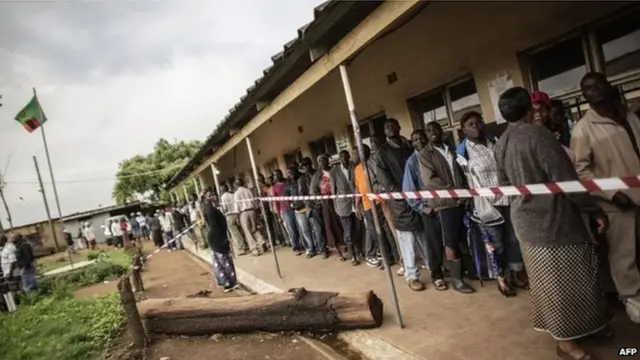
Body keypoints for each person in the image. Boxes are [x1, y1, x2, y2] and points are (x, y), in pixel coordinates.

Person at [494, 86, 610, 360]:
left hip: (525, 223)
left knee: (558, 282)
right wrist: (595, 211)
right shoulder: (539, 135)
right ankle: (566, 344)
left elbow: (504, 186)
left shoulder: (501, 143)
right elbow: (567, 180)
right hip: (554, 222)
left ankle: (587, 326)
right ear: (527, 109)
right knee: (564, 283)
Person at [572, 72, 640, 324]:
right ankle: (632, 298)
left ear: (609, 85)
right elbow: (581, 170)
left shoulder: (629, 117)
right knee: (625, 254)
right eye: (588, 87)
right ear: (584, 96)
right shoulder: (583, 128)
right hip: (617, 203)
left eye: (599, 83)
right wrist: (612, 193)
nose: (595, 89)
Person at [456, 111, 527, 296]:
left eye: (478, 122)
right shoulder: (463, 153)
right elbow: (462, 181)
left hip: (509, 199)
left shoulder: (494, 142)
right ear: (463, 130)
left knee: (513, 239)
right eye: (470, 124)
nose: (476, 126)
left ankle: (516, 274)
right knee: (496, 243)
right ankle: (501, 278)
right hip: (487, 205)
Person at [418, 121, 475, 294]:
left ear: (441, 131)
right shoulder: (425, 154)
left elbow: (460, 173)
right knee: (450, 241)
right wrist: (453, 190)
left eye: (435, 128)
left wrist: (463, 192)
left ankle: (468, 271)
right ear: (426, 135)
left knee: (463, 238)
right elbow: (429, 181)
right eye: (428, 130)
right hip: (444, 204)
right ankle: (457, 280)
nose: (432, 132)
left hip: (460, 201)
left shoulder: (450, 150)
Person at [372, 118, 426, 290]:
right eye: (386, 126)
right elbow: (384, 178)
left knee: (424, 234)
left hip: (420, 197)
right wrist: (399, 193)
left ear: (399, 127)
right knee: (406, 239)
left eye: (392, 125)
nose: (390, 128)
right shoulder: (382, 153)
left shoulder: (409, 145)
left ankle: (433, 266)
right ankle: (412, 275)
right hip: (400, 200)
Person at [403, 129, 446, 290]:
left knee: (450, 239)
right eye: (414, 139)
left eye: (421, 138)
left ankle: (453, 270)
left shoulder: (436, 154)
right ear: (411, 143)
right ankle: (437, 276)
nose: (419, 141)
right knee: (433, 243)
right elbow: (409, 191)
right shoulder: (411, 162)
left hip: (446, 205)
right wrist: (423, 208)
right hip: (430, 209)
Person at [354, 144, 396, 268]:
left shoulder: (373, 164)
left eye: (355, 153)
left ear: (364, 153)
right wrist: (357, 204)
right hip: (367, 207)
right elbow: (358, 188)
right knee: (377, 234)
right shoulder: (357, 169)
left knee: (388, 232)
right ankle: (387, 258)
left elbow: (381, 183)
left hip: (379, 204)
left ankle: (396, 257)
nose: (353, 156)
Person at [202, 189, 238, 292]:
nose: (211, 197)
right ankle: (229, 282)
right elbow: (214, 225)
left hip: (216, 236)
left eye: (212, 195)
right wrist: (223, 238)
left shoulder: (209, 207)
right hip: (217, 237)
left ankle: (226, 282)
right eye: (209, 196)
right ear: (204, 197)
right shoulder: (209, 209)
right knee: (224, 260)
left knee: (219, 261)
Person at [330, 150, 362, 264]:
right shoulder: (334, 172)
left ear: (349, 157)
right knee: (348, 230)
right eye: (341, 156)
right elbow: (333, 192)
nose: (344, 158)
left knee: (358, 228)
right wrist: (336, 207)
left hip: (357, 203)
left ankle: (359, 251)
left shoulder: (355, 167)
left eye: (346, 156)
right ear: (339, 158)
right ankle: (352, 254)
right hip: (343, 205)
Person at [310, 154, 343, 257]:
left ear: (328, 161)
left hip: (339, 200)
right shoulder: (317, 176)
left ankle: (345, 244)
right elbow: (313, 191)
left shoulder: (335, 170)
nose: (322, 163)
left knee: (341, 222)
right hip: (326, 203)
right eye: (320, 161)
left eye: (324, 160)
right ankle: (338, 249)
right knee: (330, 225)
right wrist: (320, 198)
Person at [299, 157, 328, 258]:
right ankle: (323, 249)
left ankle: (334, 245)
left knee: (329, 225)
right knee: (318, 228)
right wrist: (311, 204)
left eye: (307, 164)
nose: (306, 167)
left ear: (311, 163)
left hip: (325, 203)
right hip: (313, 206)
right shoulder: (302, 179)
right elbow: (302, 195)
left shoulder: (319, 173)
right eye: (303, 166)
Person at [285, 164, 315, 257]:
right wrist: (291, 204)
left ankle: (319, 246)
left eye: (292, 172)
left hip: (308, 206)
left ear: (296, 171)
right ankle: (310, 248)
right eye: (289, 173)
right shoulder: (289, 185)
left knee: (314, 228)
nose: (291, 174)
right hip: (299, 210)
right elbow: (286, 198)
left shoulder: (304, 179)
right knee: (305, 230)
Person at [234, 177, 267, 256]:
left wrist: (237, 216)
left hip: (243, 213)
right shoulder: (248, 190)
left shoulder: (236, 193)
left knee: (248, 231)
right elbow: (254, 201)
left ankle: (255, 249)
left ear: (236, 185)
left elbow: (237, 206)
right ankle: (262, 241)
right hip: (252, 211)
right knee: (255, 228)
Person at [273, 169, 303, 255]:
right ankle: (295, 247)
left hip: (295, 207)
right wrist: (279, 215)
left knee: (299, 227)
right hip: (285, 210)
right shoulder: (275, 187)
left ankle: (302, 245)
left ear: (281, 174)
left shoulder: (288, 183)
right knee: (292, 230)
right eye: (275, 175)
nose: (276, 176)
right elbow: (276, 202)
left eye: (278, 174)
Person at [220, 184, 247, 255]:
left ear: (222, 190)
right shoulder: (233, 195)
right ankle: (246, 245)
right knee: (241, 231)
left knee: (235, 233)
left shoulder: (223, 197)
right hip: (236, 214)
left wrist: (222, 212)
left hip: (229, 216)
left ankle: (242, 248)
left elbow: (225, 208)